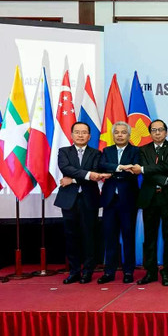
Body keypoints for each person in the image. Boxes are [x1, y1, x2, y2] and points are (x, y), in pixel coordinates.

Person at [133, 119, 168, 286]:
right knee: (150, 237)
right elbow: (149, 173)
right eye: (154, 130)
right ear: (150, 133)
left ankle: (167, 272)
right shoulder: (142, 150)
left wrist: (143, 169)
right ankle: (151, 272)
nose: (157, 133)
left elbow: (166, 165)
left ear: (166, 132)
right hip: (150, 197)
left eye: (160, 130)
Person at [56, 121, 110, 284]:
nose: (80, 135)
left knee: (89, 236)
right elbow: (66, 168)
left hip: (89, 199)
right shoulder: (64, 151)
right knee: (71, 236)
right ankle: (74, 272)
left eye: (84, 132)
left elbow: (95, 172)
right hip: (69, 200)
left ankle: (87, 271)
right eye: (77, 132)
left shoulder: (96, 153)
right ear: (72, 135)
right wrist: (85, 175)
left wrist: (72, 179)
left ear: (89, 136)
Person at [97, 121, 141, 284]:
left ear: (129, 135)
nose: (120, 135)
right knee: (110, 237)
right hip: (110, 200)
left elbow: (134, 172)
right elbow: (102, 165)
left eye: (123, 132)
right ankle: (109, 272)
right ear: (113, 135)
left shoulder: (136, 151)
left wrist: (114, 170)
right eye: (117, 132)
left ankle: (128, 271)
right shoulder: (107, 150)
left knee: (129, 236)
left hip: (128, 200)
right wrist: (121, 168)